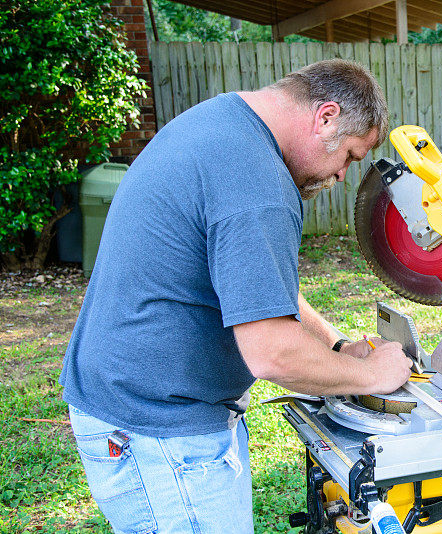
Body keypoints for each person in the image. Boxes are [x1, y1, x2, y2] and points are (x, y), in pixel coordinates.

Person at [59, 59, 412, 533]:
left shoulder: (224, 121)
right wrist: (370, 373)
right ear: (325, 116)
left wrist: (336, 345)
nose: (343, 175)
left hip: (129, 402)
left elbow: (257, 293)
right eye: (349, 155)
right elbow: (272, 355)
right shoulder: (257, 181)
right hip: (160, 427)